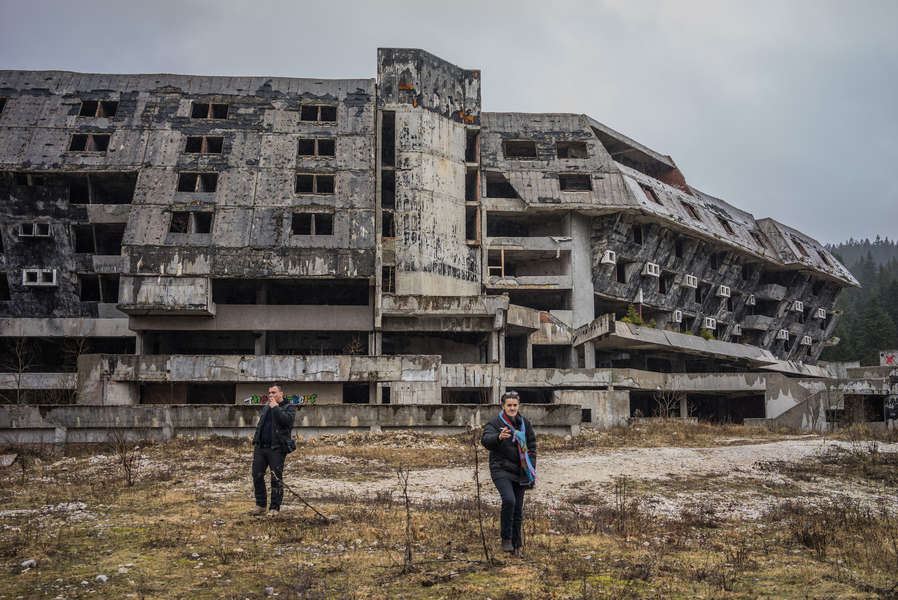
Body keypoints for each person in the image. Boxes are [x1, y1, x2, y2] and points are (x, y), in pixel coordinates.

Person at [481, 390, 536, 557]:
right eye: (509, 405)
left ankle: (516, 546)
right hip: (500, 469)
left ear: (518, 406)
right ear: (503, 406)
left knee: (518, 510)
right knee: (509, 500)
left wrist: (530, 470)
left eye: (515, 405)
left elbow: (532, 446)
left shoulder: (524, 424)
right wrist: (498, 437)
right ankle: (506, 539)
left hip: (521, 470)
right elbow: (486, 440)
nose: (512, 408)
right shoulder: (495, 423)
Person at [250, 383, 296, 516]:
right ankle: (260, 505)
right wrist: (256, 440)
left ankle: (274, 508)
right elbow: (261, 425)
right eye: (269, 393)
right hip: (261, 447)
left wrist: (275, 408)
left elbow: (286, 421)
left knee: (276, 479)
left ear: (281, 394)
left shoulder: (289, 407)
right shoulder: (266, 407)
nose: (271, 395)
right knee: (257, 475)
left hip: (276, 449)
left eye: (274, 392)